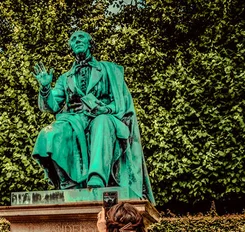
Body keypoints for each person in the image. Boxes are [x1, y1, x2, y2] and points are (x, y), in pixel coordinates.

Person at [32, 31, 155, 204]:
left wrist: (96, 107)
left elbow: (120, 104)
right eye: (73, 39)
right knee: (49, 133)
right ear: (71, 47)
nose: (77, 40)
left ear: (90, 44)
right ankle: (68, 183)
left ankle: (97, 178)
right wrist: (45, 88)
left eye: (81, 37)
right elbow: (51, 105)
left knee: (101, 122)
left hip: (106, 117)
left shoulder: (108, 70)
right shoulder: (65, 78)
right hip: (75, 120)